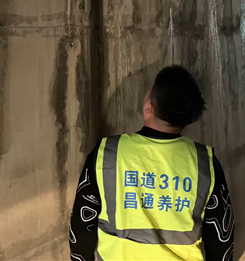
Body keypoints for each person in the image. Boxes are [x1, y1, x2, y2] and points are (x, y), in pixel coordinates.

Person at [70, 66, 234, 261]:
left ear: (149, 108)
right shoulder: (205, 163)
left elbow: (81, 228)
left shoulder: (107, 153)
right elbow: (221, 240)